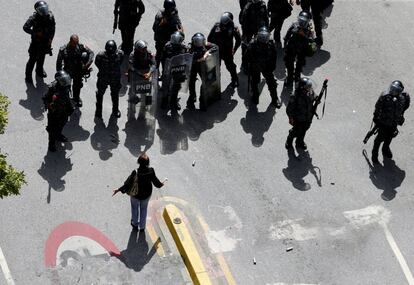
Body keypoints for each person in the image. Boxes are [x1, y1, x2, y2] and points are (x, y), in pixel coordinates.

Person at [112, 153, 166, 231]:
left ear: (138, 162)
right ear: (148, 163)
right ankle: (142, 227)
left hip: (135, 195)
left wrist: (119, 189)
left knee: (134, 208)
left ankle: (135, 224)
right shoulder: (151, 170)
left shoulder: (135, 172)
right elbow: (156, 182)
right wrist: (161, 184)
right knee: (144, 209)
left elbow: (128, 183)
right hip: (146, 195)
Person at [371, 81, 410, 164]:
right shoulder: (385, 96)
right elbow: (377, 107)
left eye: (396, 90)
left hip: (393, 123)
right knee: (378, 140)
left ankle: (385, 149)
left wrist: (401, 115)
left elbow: (405, 106)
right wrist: (376, 118)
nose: (393, 91)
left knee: (389, 137)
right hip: (384, 122)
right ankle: (374, 155)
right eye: (392, 89)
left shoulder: (403, 98)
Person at [245, 27, 281, 108]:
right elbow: (246, 57)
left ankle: (275, 99)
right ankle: (255, 96)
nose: (263, 39)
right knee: (254, 83)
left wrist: (272, 67)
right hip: (255, 67)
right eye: (262, 37)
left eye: (265, 37)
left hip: (267, 67)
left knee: (272, 84)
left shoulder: (271, 44)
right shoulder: (253, 44)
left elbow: (274, 57)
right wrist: (248, 66)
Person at [56, 34, 94, 107]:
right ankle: (66, 100)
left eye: (77, 43)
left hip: (78, 71)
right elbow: (58, 63)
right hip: (67, 71)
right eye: (74, 43)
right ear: (70, 41)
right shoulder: (63, 50)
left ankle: (76, 98)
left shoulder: (80, 46)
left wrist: (87, 65)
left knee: (77, 86)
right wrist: (59, 75)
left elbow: (91, 53)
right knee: (66, 87)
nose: (76, 45)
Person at [23, 1, 55, 83]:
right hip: (36, 42)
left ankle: (39, 71)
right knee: (32, 60)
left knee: (41, 58)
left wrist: (50, 39)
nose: (44, 11)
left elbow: (53, 29)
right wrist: (35, 33)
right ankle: (28, 76)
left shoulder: (50, 17)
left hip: (45, 42)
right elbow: (25, 27)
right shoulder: (33, 18)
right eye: (42, 10)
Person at [208, 12, 241, 88]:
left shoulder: (234, 29)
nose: (222, 26)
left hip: (227, 51)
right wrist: (211, 50)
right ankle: (214, 84)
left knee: (230, 67)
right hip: (217, 51)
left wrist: (234, 50)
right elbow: (209, 38)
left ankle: (235, 80)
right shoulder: (217, 26)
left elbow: (239, 40)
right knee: (215, 68)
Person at [43, 71, 74, 152]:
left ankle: (58, 135)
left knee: (61, 124)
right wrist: (50, 106)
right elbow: (45, 98)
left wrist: (70, 108)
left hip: (64, 110)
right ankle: (51, 144)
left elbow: (68, 97)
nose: (66, 82)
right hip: (54, 112)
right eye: (63, 81)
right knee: (52, 129)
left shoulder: (66, 87)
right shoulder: (52, 88)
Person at [187, 33, 218, 110]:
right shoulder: (189, 48)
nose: (198, 43)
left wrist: (208, 52)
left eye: (200, 41)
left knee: (205, 83)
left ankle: (202, 101)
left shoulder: (206, 44)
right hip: (193, 66)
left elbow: (216, 47)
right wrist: (199, 59)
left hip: (203, 67)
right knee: (191, 82)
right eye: (196, 41)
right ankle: (192, 97)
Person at [94, 40, 124, 119]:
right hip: (103, 77)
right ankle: (98, 111)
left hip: (115, 78)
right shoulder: (100, 55)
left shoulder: (120, 54)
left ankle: (115, 110)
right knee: (100, 94)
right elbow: (97, 63)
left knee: (115, 94)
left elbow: (121, 61)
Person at [283, 11, 314, 87]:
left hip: (301, 51)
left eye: (304, 21)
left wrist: (305, 36)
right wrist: (285, 47)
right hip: (291, 49)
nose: (302, 23)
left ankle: (297, 80)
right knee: (289, 65)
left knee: (299, 67)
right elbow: (287, 36)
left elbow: (312, 42)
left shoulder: (309, 30)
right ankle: (290, 79)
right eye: (301, 20)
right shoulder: (294, 25)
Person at [285, 77, 316, 150]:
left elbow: (314, 96)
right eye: (308, 87)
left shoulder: (309, 92)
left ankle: (299, 141)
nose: (310, 89)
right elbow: (289, 109)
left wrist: (317, 99)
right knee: (296, 131)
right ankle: (289, 140)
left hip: (307, 116)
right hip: (298, 118)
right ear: (302, 88)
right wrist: (291, 118)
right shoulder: (295, 96)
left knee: (304, 130)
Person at [161, 31, 189, 111]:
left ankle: (174, 101)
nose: (175, 42)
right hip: (169, 69)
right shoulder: (167, 46)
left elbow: (187, 58)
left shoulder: (184, 48)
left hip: (179, 70)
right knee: (166, 85)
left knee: (176, 86)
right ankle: (164, 100)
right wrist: (164, 70)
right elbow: (163, 58)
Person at [152, 0, 183, 71]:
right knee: (159, 56)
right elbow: (154, 28)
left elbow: (177, 20)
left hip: (171, 39)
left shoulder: (174, 11)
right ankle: (155, 72)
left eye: (173, 8)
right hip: (161, 39)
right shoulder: (160, 15)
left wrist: (180, 27)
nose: (172, 10)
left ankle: (167, 72)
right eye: (171, 8)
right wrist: (161, 24)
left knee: (170, 57)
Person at [240, 0, 269, 72]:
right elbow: (244, 20)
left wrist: (266, 29)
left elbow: (266, 18)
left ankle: (257, 62)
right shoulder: (248, 6)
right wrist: (244, 34)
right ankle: (244, 64)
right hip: (248, 29)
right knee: (245, 46)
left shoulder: (263, 5)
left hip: (259, 29)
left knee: (259, 46)